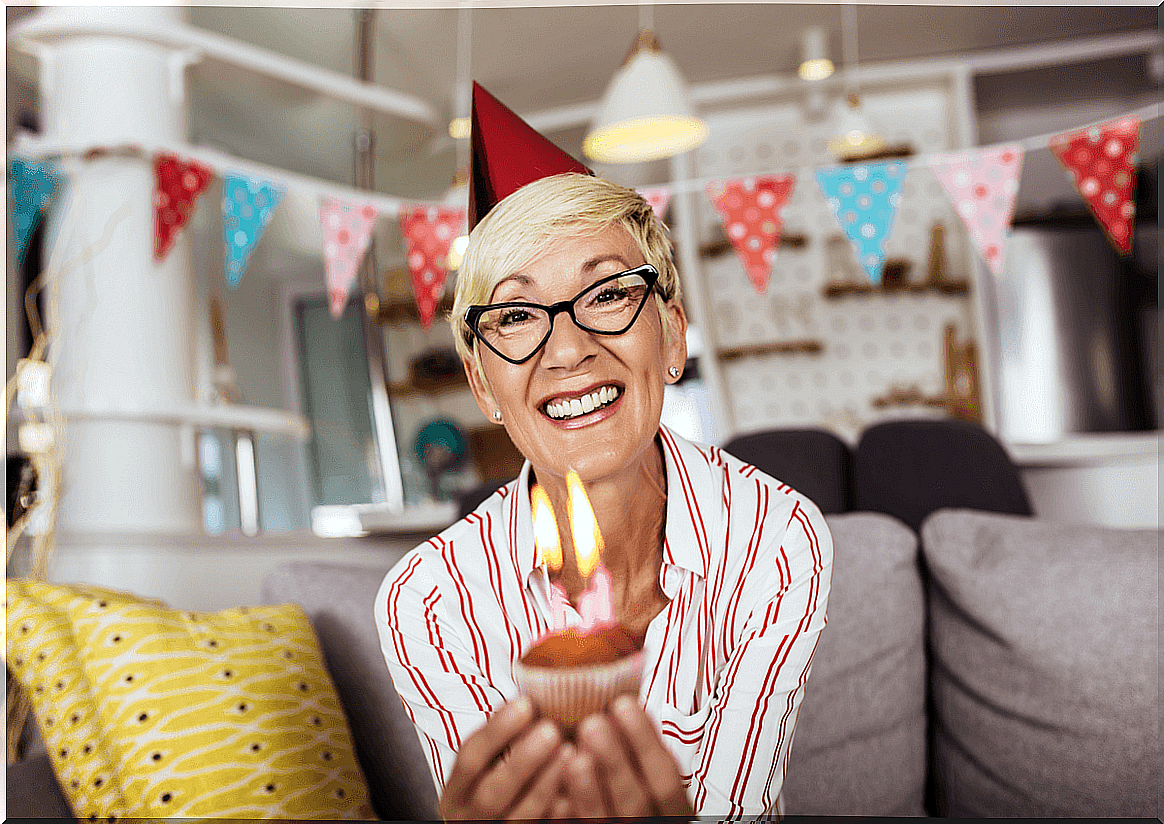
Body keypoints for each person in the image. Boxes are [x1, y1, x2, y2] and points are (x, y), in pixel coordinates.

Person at [375, 83, 832, 820]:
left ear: (673, 335)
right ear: (482, 384)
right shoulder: (426, 603)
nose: (568, 350)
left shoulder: (777, 539)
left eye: (609, 294)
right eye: (518, 314)